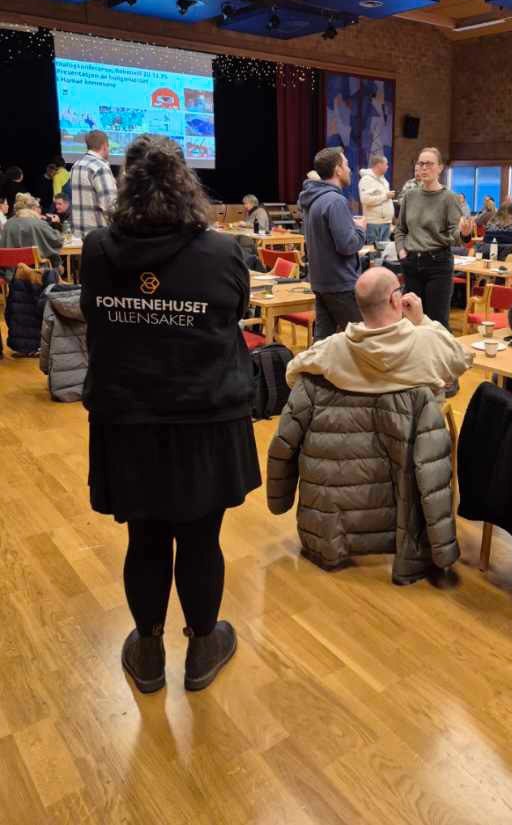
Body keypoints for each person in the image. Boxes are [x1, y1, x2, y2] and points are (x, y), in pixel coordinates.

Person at [80, 135, 260, 694]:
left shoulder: (96, 249)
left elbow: (94, 317)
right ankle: (203, 645)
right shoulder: (223, 252)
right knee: (202, 539)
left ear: (125, 184)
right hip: (205, 420)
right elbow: (236, 313)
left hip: (129, 419)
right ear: (186, 184)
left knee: (144, 538)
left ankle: (150, 648)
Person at [286, 266, 472, 395]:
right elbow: (463, 358)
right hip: (413, 444)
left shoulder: (333, 347)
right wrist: (421, 320)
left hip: (352, 442)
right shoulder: (428, 341)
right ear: (394, 299)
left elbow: (292, 374)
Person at [395, 147, 472, 329]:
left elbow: (455, 234)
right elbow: (400, 229)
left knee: (437, 322)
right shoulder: (410, 196)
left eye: (429, 164)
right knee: (412, 321)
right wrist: (401, 250)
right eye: (420, 163)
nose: (423, 168)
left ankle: (442, 357)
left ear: (440, 168)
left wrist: (464, 233)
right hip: (412, 263)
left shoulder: (449, 198)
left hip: (438, 264)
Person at [298, 147, 366, 340]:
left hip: (320, 282)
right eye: (346, 164)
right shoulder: (335, 201)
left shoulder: (311, 199)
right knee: (362, 341)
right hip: (340, 284)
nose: (350, 169)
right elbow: (347, 245)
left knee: (323, 345)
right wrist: (360, 228)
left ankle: (313, 372)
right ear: (337, 169)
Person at [70, 130, 117, 237]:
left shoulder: (76, 165)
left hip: (78, 234)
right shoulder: (100, 167)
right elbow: (110, 205)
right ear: (105, 146)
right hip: (98, 236)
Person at [1, 192, 63, 263]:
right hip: (35, 271)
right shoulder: (38, 223)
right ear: (33, 208)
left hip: (11, 271)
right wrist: (57, 226)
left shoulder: (8, 224)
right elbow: (57, 240)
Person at [358, 154, 395, 244]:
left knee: (384, 252)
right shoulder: (366, 180)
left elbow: (382, 200)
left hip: (385, 222)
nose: (387, 166)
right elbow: (365, 199)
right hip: (373, 224)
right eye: (386, 164)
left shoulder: (384, 180)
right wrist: (386, 196)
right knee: (374, 252)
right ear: (379, 165)